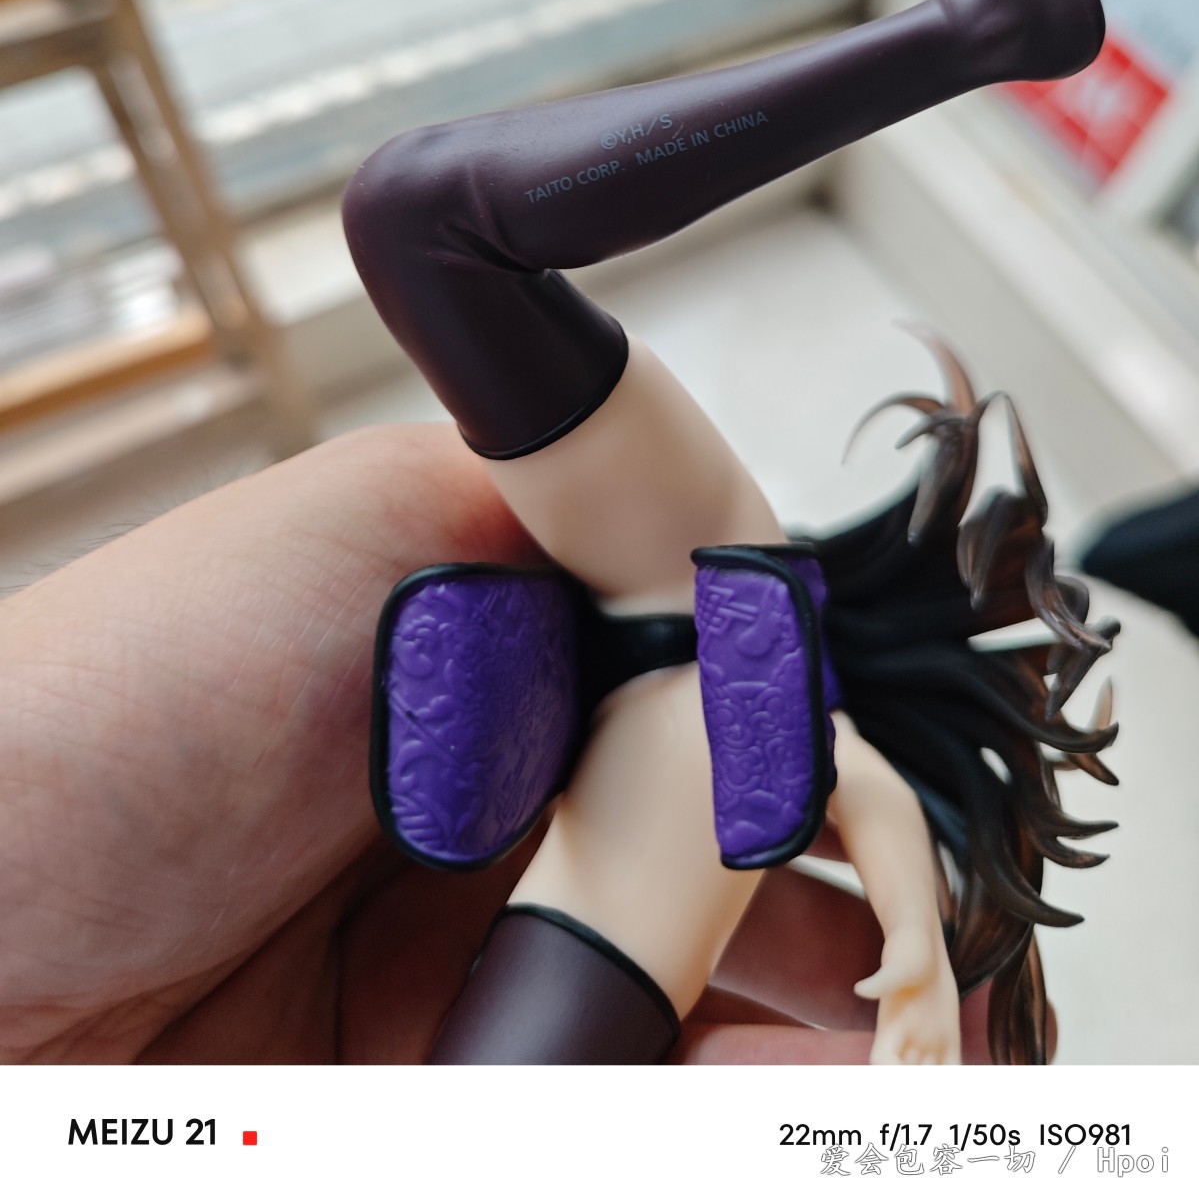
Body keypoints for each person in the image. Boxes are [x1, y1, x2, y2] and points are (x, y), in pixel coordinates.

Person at [342, 0, 1115, 1064]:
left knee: (416, 216)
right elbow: (869, 795)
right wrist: (915, 953)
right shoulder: (780, 713)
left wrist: (916, 958)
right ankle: (982, 27)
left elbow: (863, 794)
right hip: (668, 570)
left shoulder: (752, 738)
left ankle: (987, 25)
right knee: (417, 216)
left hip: (608, 884)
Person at [0, 423, 1002, 1063]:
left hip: (617, 933)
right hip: (589, 926)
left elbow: (877, 800)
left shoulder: (787, 719)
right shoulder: (696, 676)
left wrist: (914, 942)